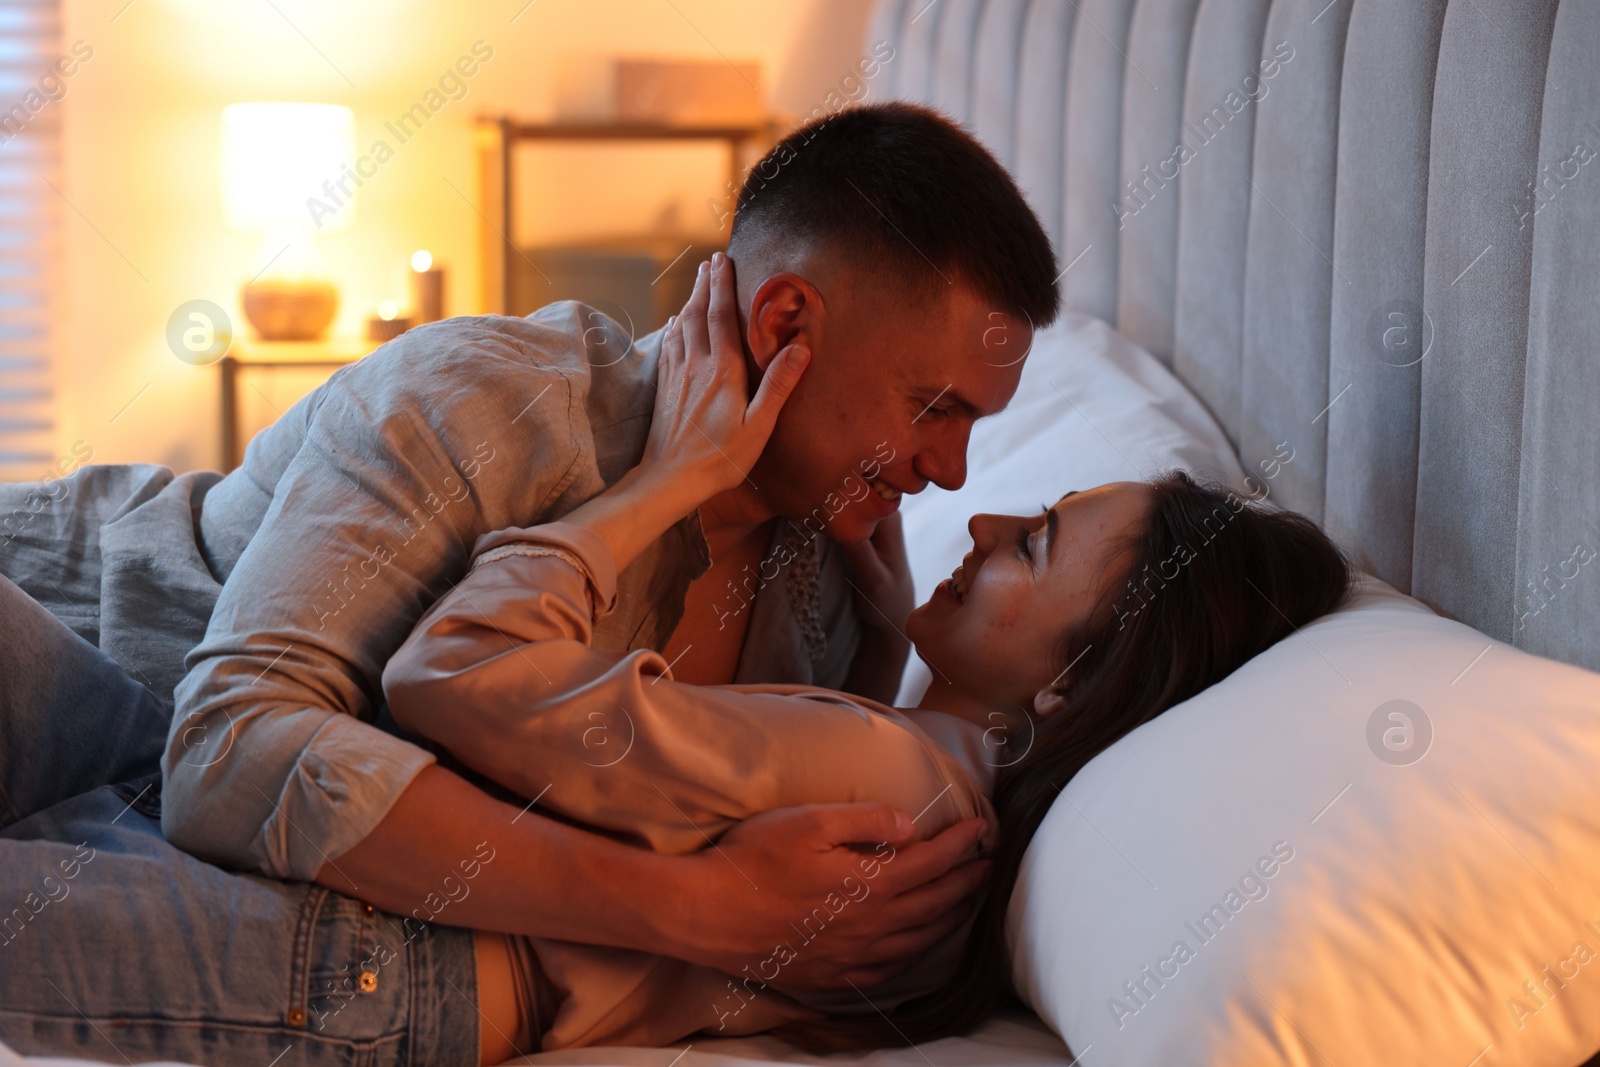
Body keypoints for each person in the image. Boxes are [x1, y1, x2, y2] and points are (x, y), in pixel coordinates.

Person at [0, 101, 1058, 1064]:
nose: (954, 471)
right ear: (784, 324)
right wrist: (694, 906)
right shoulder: (481, 402)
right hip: (76, 628)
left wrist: (884, 648)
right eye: (934, 405)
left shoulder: (827, 591)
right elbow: (229, 755)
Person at [377, 259, 1356, 1056]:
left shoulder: (891, 775)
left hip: (385, 965)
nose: (982, 513)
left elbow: (448, 670)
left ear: (1070, 684)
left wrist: (668, 483)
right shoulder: (952, 825)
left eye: (1036, 543)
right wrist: (887, 644)